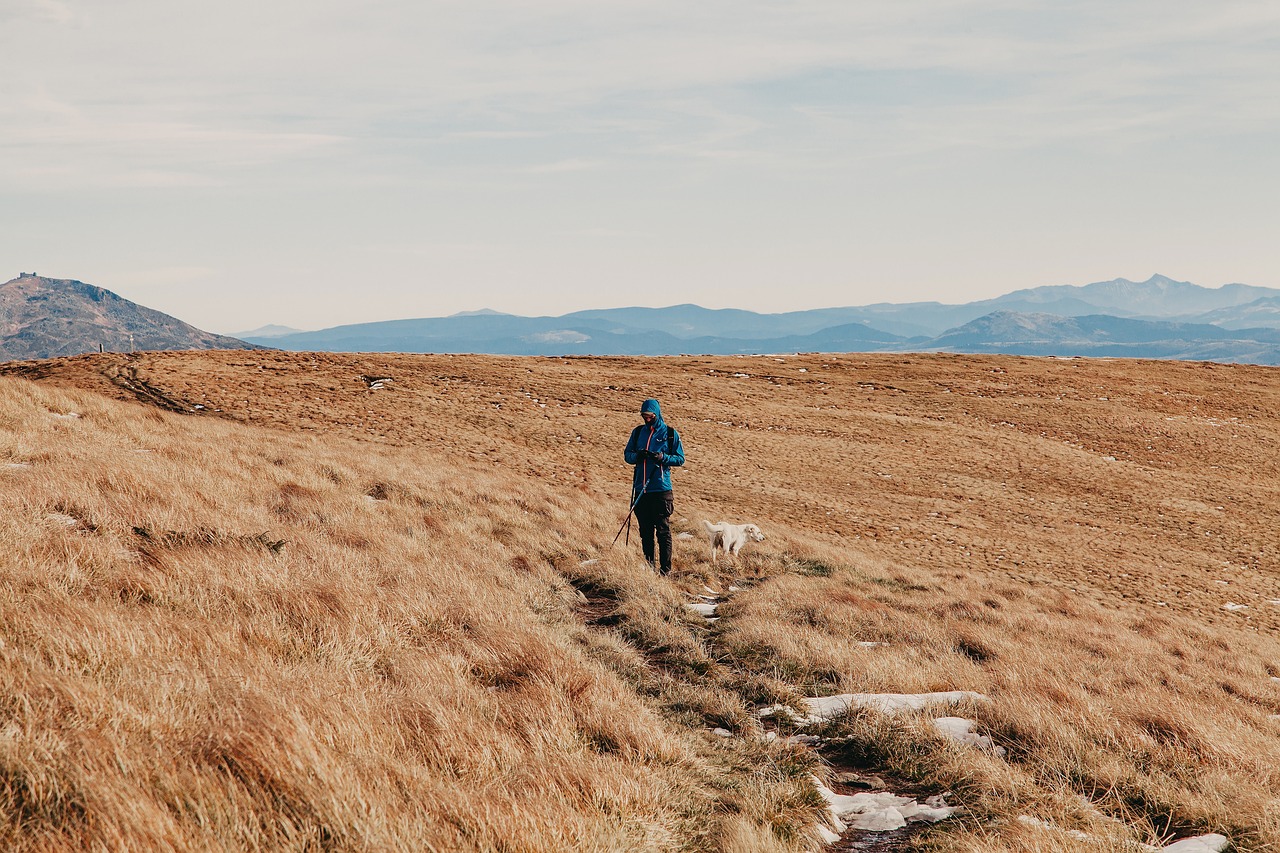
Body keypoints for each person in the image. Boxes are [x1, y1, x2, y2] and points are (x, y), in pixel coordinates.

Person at [623, 398, 685, 575]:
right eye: (644, 416)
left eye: (650, 416)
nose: (647, 419)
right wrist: (638, 456)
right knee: (645, 533)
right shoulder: (637, 433)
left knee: (663, 531)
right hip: (641, 490)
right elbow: (627, 455)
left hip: (661, 490)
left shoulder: (670, 434)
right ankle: (650, 569)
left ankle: (665, 571)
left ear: (656, 414)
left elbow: (680, 459)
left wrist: (662, 458)